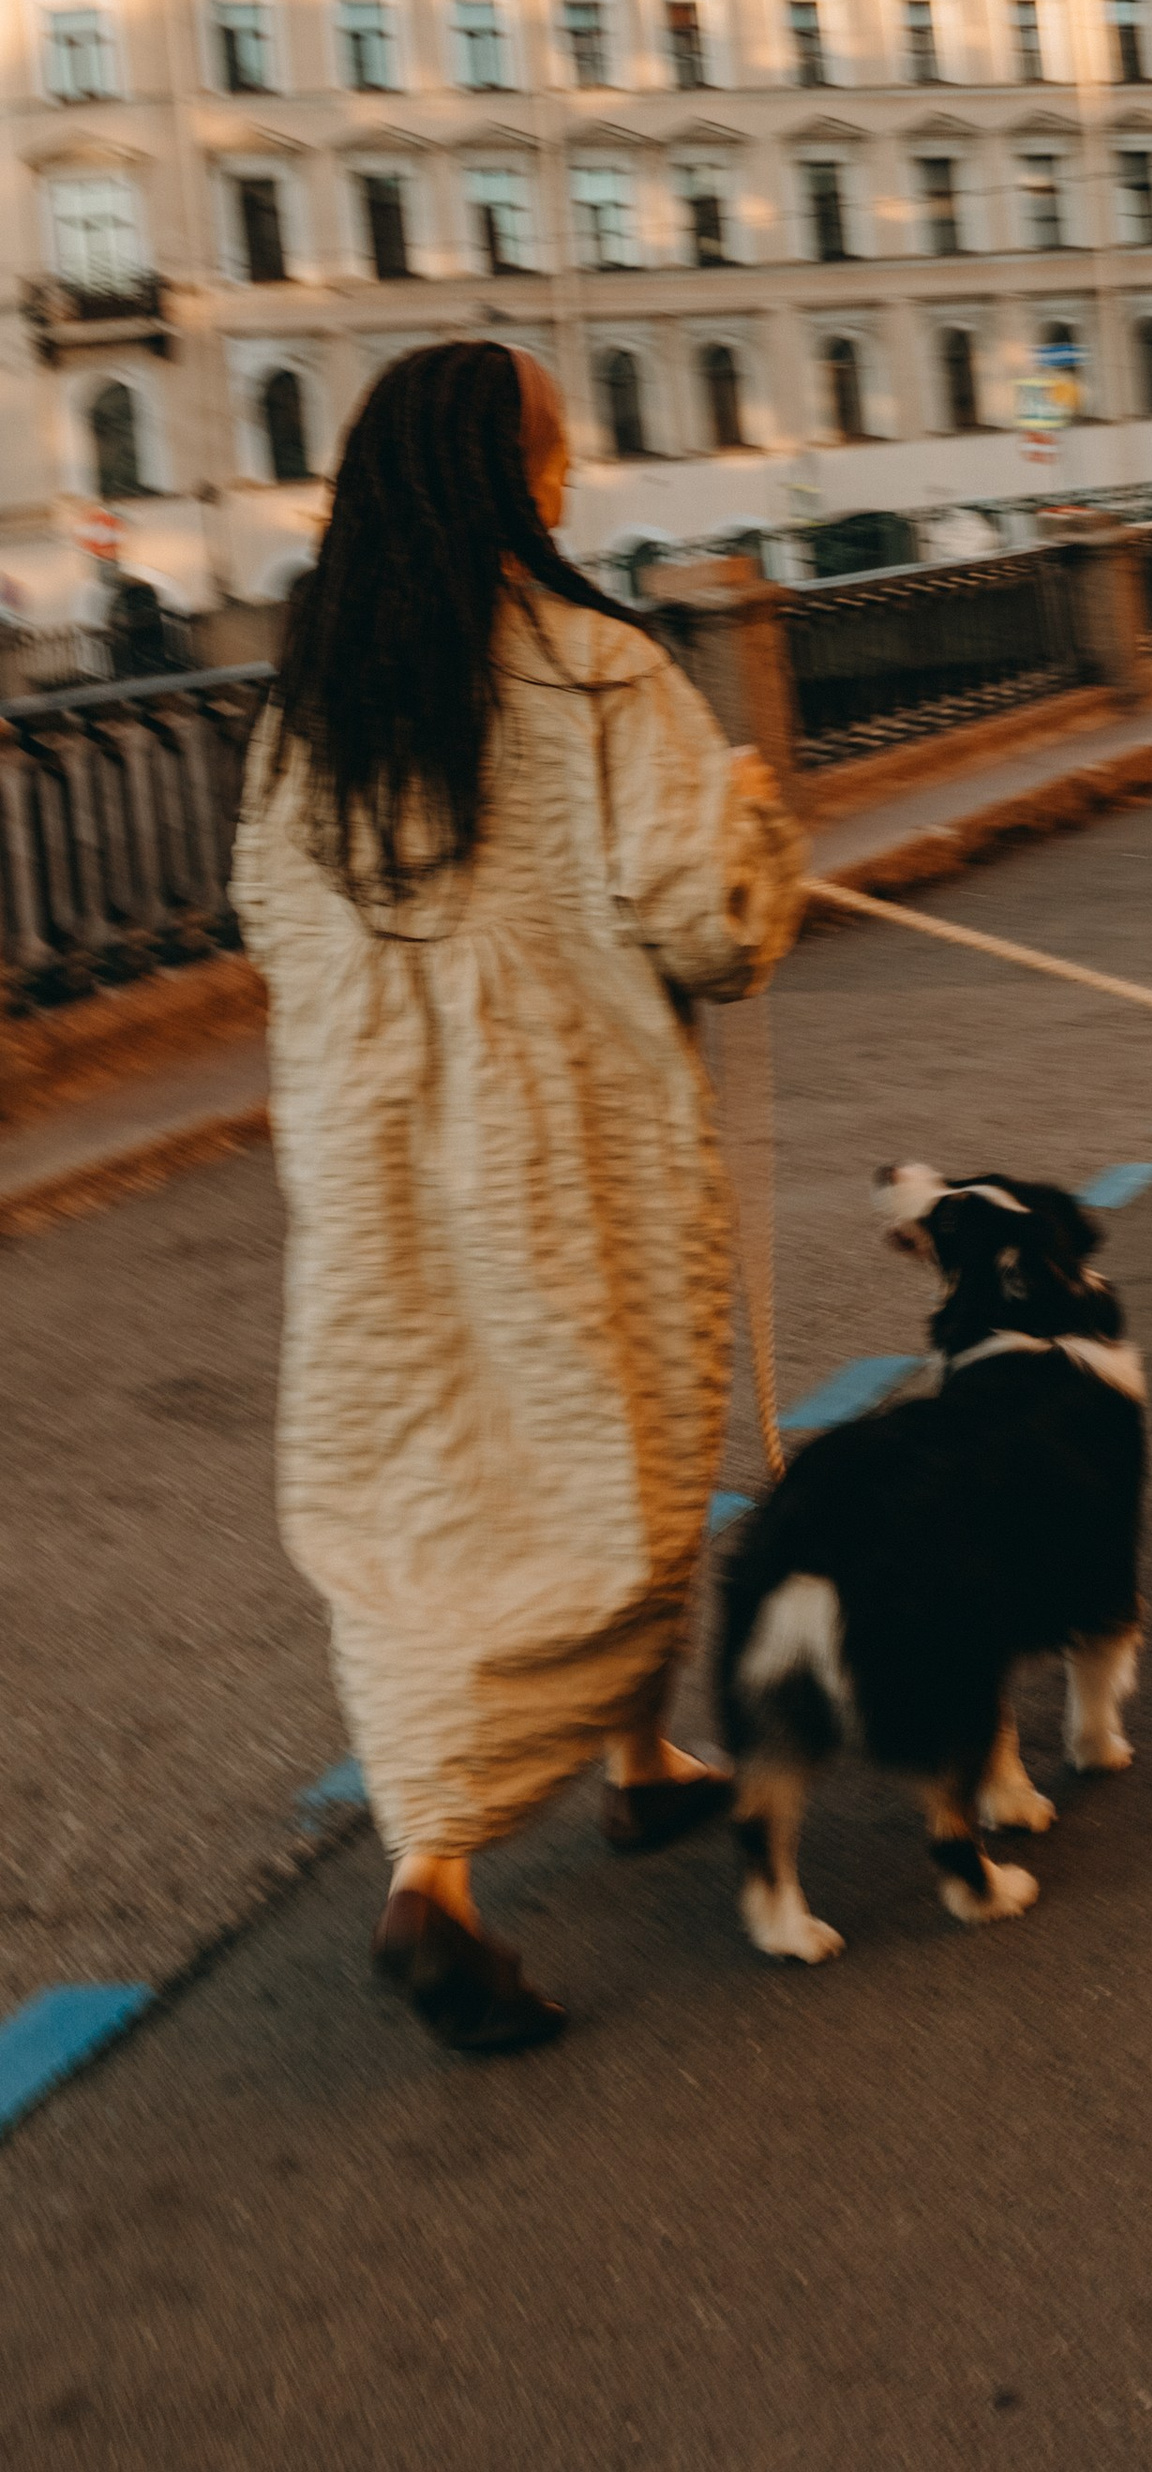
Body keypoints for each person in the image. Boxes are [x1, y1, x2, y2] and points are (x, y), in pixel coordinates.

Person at [232, 340, 806, 2053]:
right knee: (614, 1455)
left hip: (370, 1162)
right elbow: (709, 925)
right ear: (516, 478)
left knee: (425, 1480)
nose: (566, 480)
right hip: (573, 1143)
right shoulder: (602, 673)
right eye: (554, 454)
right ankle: (439, 1875)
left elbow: (268, 925)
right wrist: (754, 824)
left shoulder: (309, 711)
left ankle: (620, 1768)